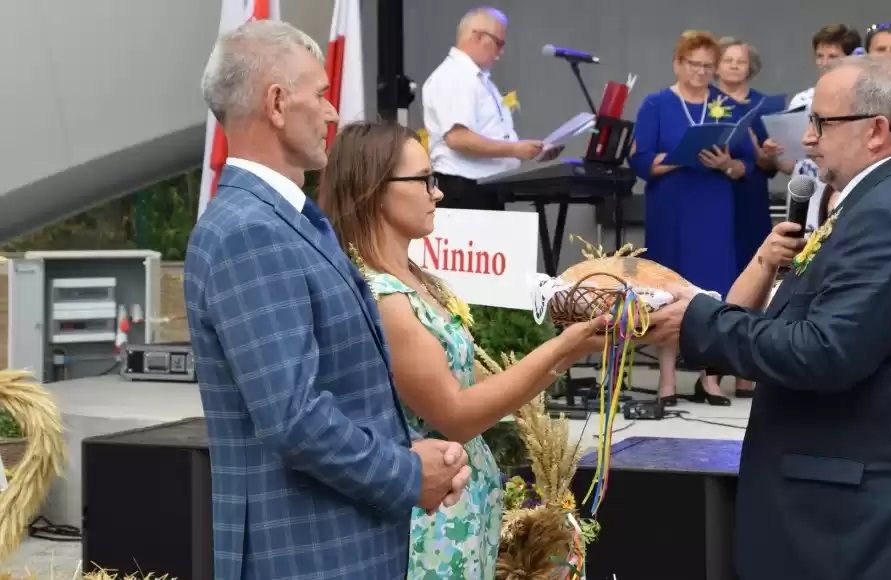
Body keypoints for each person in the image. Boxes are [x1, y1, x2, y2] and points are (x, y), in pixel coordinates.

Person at [643, 56, 891, 579]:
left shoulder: (887, 213)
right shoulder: (889, 196)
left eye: (821, 122)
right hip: (866, 511)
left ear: (876, 130)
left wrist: (697, 320)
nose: (808, 138)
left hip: (869, 525)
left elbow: (824, 352)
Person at [185, 21, 470, 580]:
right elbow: (294, 419)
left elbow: (343, 392)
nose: (332, 112)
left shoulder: (284, 220)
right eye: (319, 94)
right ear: (276, 103)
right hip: (309, 557)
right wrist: (408, 474)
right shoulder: (251, 231)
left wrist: (412, 450)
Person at [319, 121, 606, 579]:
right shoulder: (382, 297)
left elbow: (484, 385)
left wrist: (573, 347)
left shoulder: (421, 281)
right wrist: (561, 347)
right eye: (424, 180)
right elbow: (456, 414)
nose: (438, 193)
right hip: (430, 521)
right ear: (374, 189)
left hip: (462, 513)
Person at [630, 30, 758, 407]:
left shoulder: (726, 104)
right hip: (671, 208)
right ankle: (667, 380)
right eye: (694, 65)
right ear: (677, 64)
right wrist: (680, 158)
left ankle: (710, 379)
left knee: (713, 289)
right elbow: (640, 160)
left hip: (713, 208)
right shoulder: (656, 103)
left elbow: (747, 164)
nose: (701, 72)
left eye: (707, 66)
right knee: (668, 290)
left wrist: (727, 164)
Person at [421, 6, 561, 210]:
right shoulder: (455, 76)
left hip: (482, 188)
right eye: (498, 43)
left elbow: (486, 133)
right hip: (464, 190)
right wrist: (515, 149)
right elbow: (458, 138)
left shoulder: (476, 79)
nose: (500, 53)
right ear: (477, 36)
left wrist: (527, 152)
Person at [715, 36, 780, 397]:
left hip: (751, 197)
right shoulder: (708, 102)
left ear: (750, 67)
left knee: (756, 276)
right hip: (715, 198)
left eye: (740, 60)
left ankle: (746, 372)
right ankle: (714, 370)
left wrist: (765, 156)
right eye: (727, 59)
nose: (734, 66)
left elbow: (771, 165)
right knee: (721, 279)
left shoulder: (764, 106)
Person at [768, 24, 862, 232]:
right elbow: (791, 165)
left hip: (840, 191)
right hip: (806, 195)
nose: (824, 62)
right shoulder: (801, 100)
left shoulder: (858, 101)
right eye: (820, 56)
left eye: (832, 56)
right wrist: (775, 154)